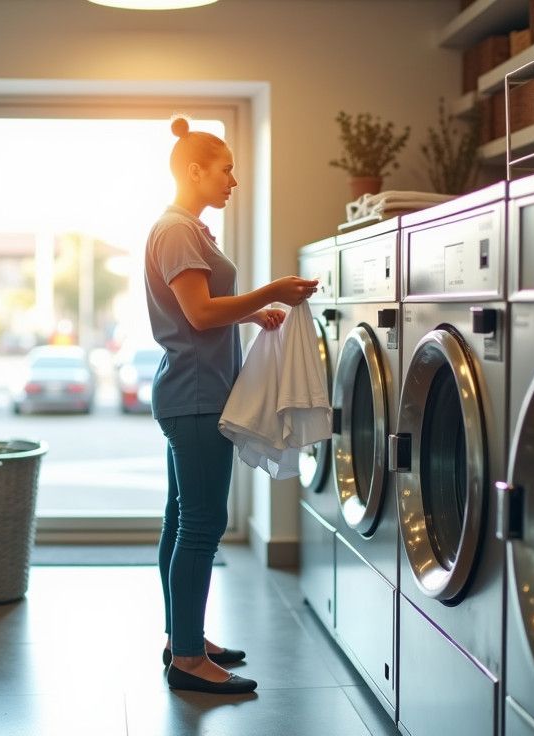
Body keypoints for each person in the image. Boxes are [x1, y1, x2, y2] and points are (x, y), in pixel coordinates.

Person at [145, 115, 319, 695]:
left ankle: (182, 639)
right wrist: (270, 291)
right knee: (202, 524)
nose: (233, 182)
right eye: (226, 170)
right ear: (194, 170)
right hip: (195, 395)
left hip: (193, 388)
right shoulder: (176, 231)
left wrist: (249, 313)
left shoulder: (189, 229)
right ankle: (190, 662)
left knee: (181, 520)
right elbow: (195, 315)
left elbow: (201, 308)